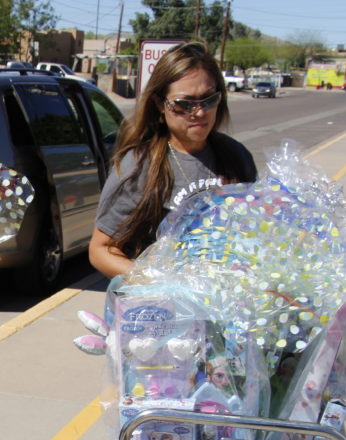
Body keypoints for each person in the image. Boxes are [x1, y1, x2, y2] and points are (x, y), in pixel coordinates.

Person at [88, 42, 257, 279]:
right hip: (157, 309)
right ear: (160, 104)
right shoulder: (139, 165)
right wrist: (160, 283)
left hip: (218, 309)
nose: (199, 112)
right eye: (184, 103)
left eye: (209, 99)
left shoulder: (236, 156)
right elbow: (101, 249)